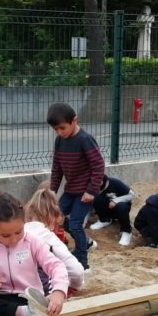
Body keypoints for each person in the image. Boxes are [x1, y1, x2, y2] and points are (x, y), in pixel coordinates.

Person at [47, 102, 105, 270]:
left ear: (74, 120)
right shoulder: (59, 141)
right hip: (70, 190)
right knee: (56, 218)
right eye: (56, 129)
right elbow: (57, 167)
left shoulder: (85, 139)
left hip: (85, 192)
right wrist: (52, 190)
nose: (59, 132)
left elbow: (98, 166)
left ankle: (83, 262)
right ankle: (85, 242)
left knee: (75, 224)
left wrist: (91, 191)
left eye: (62, 128)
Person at [24, 187, 85, 294]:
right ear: (53, 216)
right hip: (40, 290)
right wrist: (74, 285)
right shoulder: (48, 237)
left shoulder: (17, 232)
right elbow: (76, 271)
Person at [89, 175, 138, 246]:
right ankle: (104, 220)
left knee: (121, 206)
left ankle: (126, 231)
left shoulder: (115, 182)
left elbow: (132, 195)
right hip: (107, 208)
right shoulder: (92, 186)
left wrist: (115, 201)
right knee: (97, 198)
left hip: (120, 208)